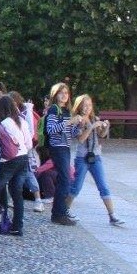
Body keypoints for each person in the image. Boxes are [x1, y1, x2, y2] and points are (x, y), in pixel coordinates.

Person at [69, 95, 125, 227]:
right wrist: (91, 127)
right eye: (84, 105)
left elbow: (101, 134)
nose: (87, 108)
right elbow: (81, 139)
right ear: (79, 107)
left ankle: (112, 215)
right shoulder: (77, 120)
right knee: (76, 187)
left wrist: (105, 127)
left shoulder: (94, 118)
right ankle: (64, 211)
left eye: (89, 105)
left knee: (103, 186)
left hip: (96, 157)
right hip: (82, 158)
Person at [0, 95, 31, 237]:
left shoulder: (4, 123)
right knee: (17, 194)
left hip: (8, 160)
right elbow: (29, 143)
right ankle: (17, 227)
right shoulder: (22, 121)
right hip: (23, 158)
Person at [45, 82, 81, 225]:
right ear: (55, 95)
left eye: (66, 93)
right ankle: (59, 214)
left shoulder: (67, 111)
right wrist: (69, 122)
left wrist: (78, 125)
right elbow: (51, 129)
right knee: (65, 180)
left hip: (65, 147)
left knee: (64, 179)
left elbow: (72, 134)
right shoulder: (54, 109)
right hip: (57, 147)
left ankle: (59, 212)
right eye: (61, 92)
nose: (64, 95)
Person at [9, 91, 45, 212]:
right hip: (14, 147)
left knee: (28, 172)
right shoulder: (14, 113)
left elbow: (31, 132)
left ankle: (38, 200)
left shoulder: (25, 112)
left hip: (24, 147)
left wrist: (25, 145)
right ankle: (13, 198)